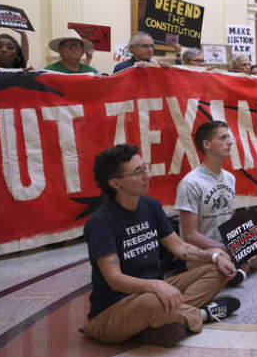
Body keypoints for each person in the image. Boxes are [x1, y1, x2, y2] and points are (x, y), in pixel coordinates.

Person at [83, 144, 240, 346]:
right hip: (114, 308)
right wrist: (156, 286)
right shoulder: (101, 223)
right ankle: (201, 314)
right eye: (138, 172)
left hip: (155, 292)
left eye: (145, 167)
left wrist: (214, 256)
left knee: (215, 270)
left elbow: (180, 247)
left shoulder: (151, 206)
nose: (147, 175)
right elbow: (115, 279)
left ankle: (164, 319)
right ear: (116, 183)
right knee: (154, 302)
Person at [175, 121, 257, 286]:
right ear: (207, 144)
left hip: (230, 244)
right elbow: (190, 235)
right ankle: (245, 264)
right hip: (207, 251)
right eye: (223, 138)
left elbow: (229, 222)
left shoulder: (230, 178)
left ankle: (242, 266)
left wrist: (246, 241)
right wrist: (229, 248)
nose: (230, 142)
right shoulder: (190, 183)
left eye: (228, 137)